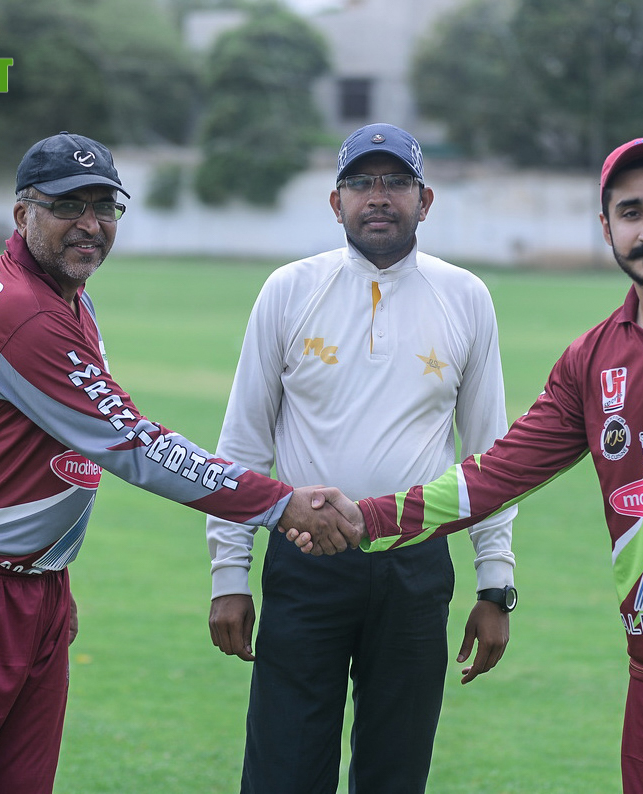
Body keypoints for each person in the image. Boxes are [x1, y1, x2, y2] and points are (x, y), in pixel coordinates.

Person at [299, 136, 643, 794]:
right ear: (606, 228)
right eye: (630, 213)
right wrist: (368, 519)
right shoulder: (591, 358)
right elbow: (496, 474)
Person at [0, 131, 356, 794]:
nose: (90, 225)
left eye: (105, 207)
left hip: (32, 586)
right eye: (68, 206)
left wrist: (46, 574)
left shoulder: (68, 300)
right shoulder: (24, 314)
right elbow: (135, 445)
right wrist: (278, 502)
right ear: (22, 214)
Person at [205, 122, 517, 794]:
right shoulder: (289, 290)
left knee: (394, 773)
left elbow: (489, 456)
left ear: (424, 200)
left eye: (396, 182)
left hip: (415, 567)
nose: (379, 197)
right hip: (304, 562)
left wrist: (495, 584)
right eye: (360, 183)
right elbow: (242, 444)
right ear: (335, 201)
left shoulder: (465, 296)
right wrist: (228, 574)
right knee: (284, 771)